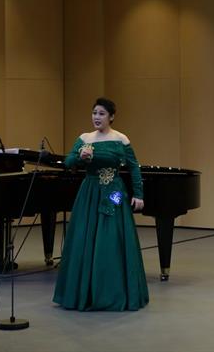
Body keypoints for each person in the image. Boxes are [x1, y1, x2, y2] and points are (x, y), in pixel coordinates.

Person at [53, 98, 149, 311]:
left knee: (112, 236)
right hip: (89, 193)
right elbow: (68, 163)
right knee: (85, 236)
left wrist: (138, 194)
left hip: (115, 191)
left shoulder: (121, 139)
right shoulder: (84, 138)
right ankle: (85, 292)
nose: (96, 117)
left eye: (102, 113)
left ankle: (113, 292)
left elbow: (134, 167)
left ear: (111, 117)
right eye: (94, 113)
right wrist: (80, 156)